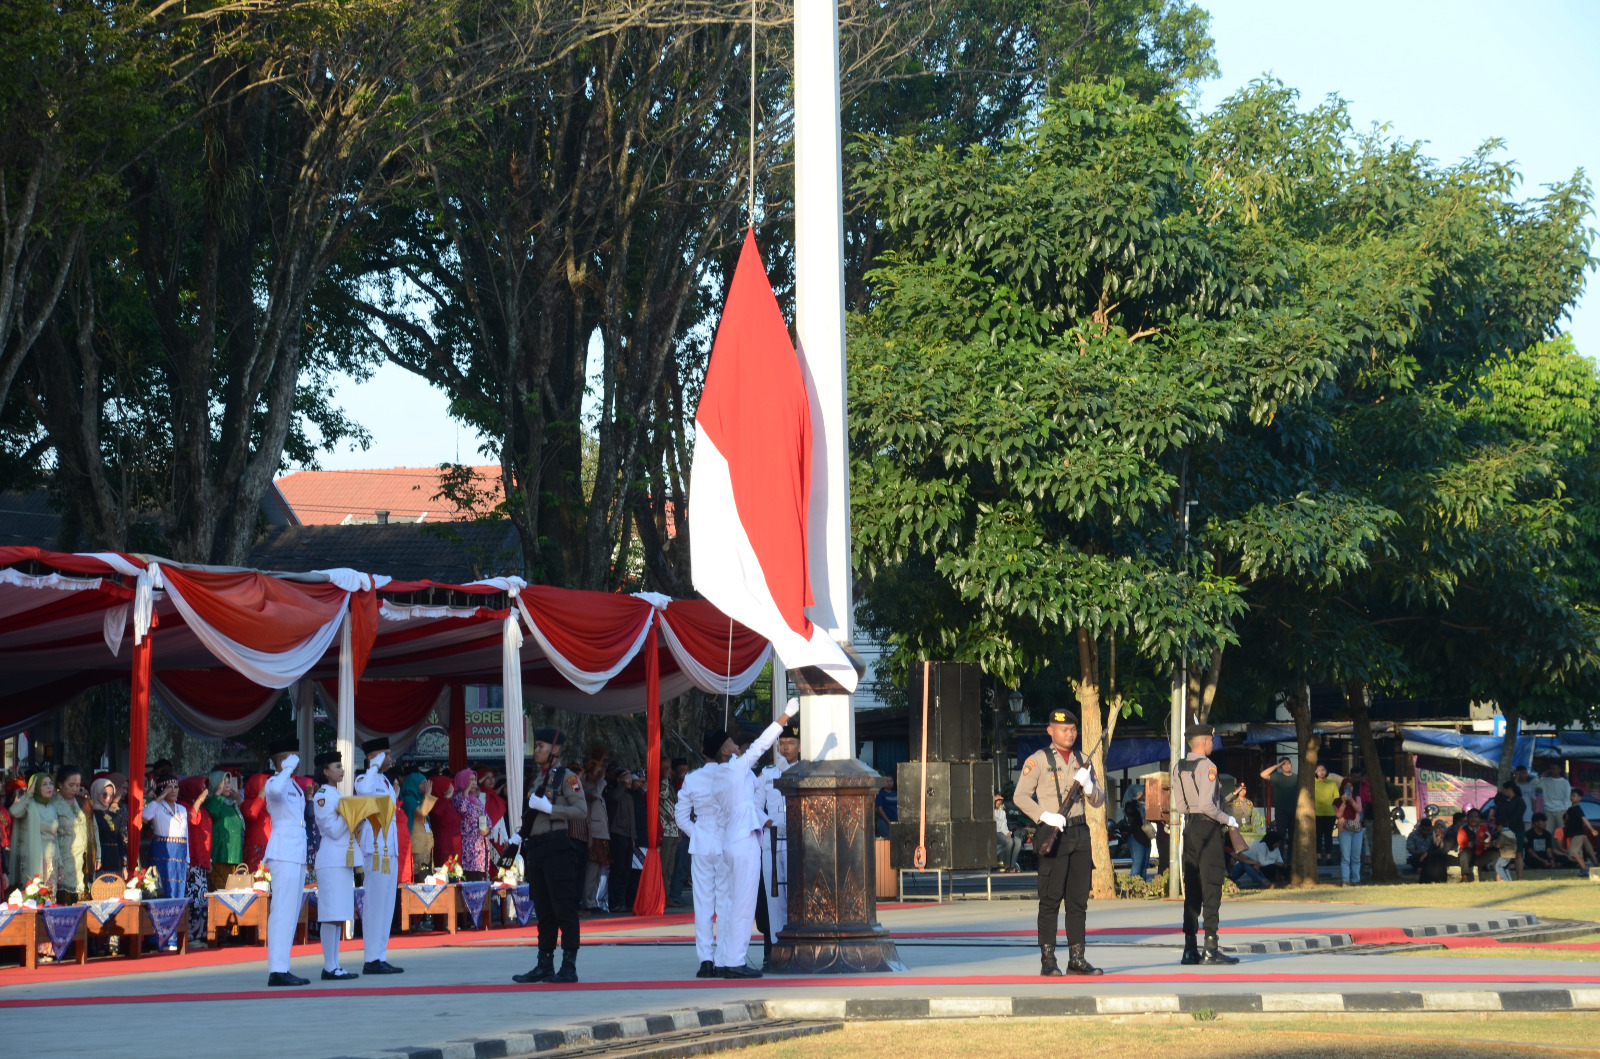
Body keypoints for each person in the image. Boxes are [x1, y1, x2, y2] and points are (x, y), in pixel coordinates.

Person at [708, 700, 799, 979]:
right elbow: (760, 745)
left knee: (730, 903)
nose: (738, 746)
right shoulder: (735, 769)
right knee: (745, 905)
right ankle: (735, 961)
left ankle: (724, 958)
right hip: (746, 843)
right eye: (733, 743)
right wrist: (785, 715)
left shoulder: (722, 774)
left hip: (731, 842)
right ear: (725, 751)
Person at [1013, 707, 1105, 977]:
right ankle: (1048, 959)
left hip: (1079, 832)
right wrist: (1045, 816)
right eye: (1064, 729)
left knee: (1078, 901)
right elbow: (1020, 796)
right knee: (1051, 899)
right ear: (1050, 730)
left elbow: (1099, 800)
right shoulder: (1038, 760)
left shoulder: (1083, 759)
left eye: (1073, 729)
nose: (1070, 733)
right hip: (1052, 832)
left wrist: (1089, 787)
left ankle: (1077, 958)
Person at [507, 728, 588, 985]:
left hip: (558, 848)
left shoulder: (568, 777)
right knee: (543, 910)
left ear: (555, 749)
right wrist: (520, 835)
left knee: (563, 907)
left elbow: (581, 810)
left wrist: (552, 809)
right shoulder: (536, 779)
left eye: (541, 745)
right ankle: (544, 964)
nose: (536, 750)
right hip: (537, 849)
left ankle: (569, 965)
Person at [1169, 723, 1239, 966]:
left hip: (1190, 828)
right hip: (1208, 829)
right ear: (1203, 742)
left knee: (1192, 889)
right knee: (1211, 886)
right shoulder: (1208, 766)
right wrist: (1227, 818)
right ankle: (1211, 948)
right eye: (1211, 739)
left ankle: (1190, 949)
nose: (1213, 743)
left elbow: (1181, 805)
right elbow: (1208, 806)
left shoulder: (1178, 767)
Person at [353, 738, 404, 975]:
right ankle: (371, 958)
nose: (390, 758)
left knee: (387, 903)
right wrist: (374, 764)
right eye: (385, 754)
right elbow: (362, 791)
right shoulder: (365, 778)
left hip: (389, 848)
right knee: (374, 902)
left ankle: (380, 955)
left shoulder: (384, 780)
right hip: (374, 848)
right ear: (375, 757)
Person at [263, 739, 310, 987]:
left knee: (291, 912)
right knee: (282, 910)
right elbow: (273, 792)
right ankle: (277, 970)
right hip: (283, 852)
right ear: (282, 761)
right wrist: (286, 769)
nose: (298, 760)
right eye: (293, 756)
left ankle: (283, 966)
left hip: (296, 852)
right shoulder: (275, 782)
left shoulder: (295, 786)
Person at [310, 751, 360, 981]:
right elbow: (332, 830)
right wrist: (351, 815)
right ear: (325, 771)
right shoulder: (322, 795)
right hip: (331, 859)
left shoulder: (335, 794)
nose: (342, 770)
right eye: (337, 766)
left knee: (339, 912)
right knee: (330, 913)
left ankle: (334, 964)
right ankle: (329, 966)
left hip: (341, 859)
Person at [677, 742, 723, 978]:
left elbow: (681, 817)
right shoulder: (732, 774)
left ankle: (706, 959)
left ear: (703, 752)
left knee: (703, 904)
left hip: (702, 843)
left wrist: (699, 833)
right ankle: (727, 956)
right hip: (727, 841)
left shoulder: (693, 778)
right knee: (727, 903)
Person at [758, 720, 801, 949]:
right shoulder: (766, 774)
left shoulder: (806, 773)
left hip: (797, 837)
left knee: (796, 891)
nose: (785, 748)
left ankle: (796, 939)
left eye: (791, 743)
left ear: (800, 746)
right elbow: (753, 805)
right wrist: (768, 822)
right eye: (782, 743)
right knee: (773, 893)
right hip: (772, 836)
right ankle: (776, 944)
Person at [51, 766, 98, 904]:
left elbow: (93, 829)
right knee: (64, 899)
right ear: (60, 784)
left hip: (84, 858)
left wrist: (98, 854)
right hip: (64, 857)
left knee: (83, 900)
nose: (75, 789)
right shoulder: (53, 804)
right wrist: (58, 864)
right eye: (71, 785)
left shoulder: (83, 803)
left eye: (78, 785)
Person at [142, 776, 194, 900]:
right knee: (163, 887)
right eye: (169, 788)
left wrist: (187, 863)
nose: (174, 790)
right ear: (162, 789)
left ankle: (177, 917)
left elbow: (185, 835)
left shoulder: (182, 809)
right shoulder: (156, 807)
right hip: (163, 851)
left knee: (178, 888)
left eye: (176, 787)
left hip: (179, 853)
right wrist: (160, 796)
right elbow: (145, 815)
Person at [8, 773, 60, 891]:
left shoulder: (52, 807)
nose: (49, 787)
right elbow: (13, 811)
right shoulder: (28, 805)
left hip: (51, 859)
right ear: (35, 787)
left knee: (50, 897)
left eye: (51, 784)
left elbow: (55, 838)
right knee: (32, 895)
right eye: (44, 784)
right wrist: (28, 794)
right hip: (32, 859)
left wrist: (60, 865)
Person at [177, 776, 214, 942]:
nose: (203, 793)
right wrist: (198, 801)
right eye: (200, 789)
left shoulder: (203, 809)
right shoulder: (183, 807)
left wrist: (208, 859)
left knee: (201, 900)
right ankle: (191, 936)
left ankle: (201, 934)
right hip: (190, 862)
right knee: (193, 900)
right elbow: (192, 820)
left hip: (201, 861)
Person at [206, 770, 246, 891]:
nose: (227, 786)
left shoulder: (231, 804)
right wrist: (217, 793)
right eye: (224, 783)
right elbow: (212, 811)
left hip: (235, 857)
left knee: (235, 895)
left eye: (229, 783)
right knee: (222, 895)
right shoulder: (211, 802)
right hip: (219, 857)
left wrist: (239, 801)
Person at [452, 769, 491, 880]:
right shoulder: (458, 798)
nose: (473, 783)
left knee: (479, 880)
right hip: (469, 849)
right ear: (462, 781)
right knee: (470, 879)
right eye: (470, 780)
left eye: (475, 780)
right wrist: (465, 792)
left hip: (481, 849)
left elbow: (487, 818)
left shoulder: (477, 800)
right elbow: (463, 810)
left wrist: (488, 829)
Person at [665, 758, 691, 906]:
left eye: (686, 771)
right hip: (680, 831)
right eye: (681, 771)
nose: (685, 774)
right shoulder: (673, 786)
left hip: (689, 831)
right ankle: (673, 895)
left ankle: (675, 894)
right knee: (677, 866)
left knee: (684, 866)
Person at [401, 772, 435, 880]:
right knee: (419, 878)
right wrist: (428, 794)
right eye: (422, 784)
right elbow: (423, 812)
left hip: (425, 848)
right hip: (416, 848)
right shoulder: (408, 800)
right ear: (414, 784)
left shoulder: (420, 799)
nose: (425, 787)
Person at [90, 777, 127, 875]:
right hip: (100, 860)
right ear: (96, 793)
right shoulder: (91, 815)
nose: (108, 798)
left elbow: (119, 839)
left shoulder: (113, 814)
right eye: (105, 794)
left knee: (114, 888)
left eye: (111, 795)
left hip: (115, 860)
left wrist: (124, 864)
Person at [1492, 779, 1527, 880]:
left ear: (1509, 790)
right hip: (1506, 832)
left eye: (1505, 790)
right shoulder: (1506, 803)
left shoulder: (1519, 801)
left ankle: (1520, 878)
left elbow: (1518, 815)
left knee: (1518, 853)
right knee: (1505, 854)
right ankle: (1503, 876)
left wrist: (1508, 824)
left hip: (1517, 830)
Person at [1333, 781, 1364, 886]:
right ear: (1342, 788)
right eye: (1346, 786)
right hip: (1344, 830)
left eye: (1351, 786)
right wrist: (1344, 802)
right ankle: (1345, 880)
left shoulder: (1357, 798)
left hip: (1356, 829)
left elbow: (1358, 809)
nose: (1349, 788)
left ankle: (1356, 879)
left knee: (1356, 857)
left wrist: (1351, 800)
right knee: (1346, 857)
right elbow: (1338, 815)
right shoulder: (1337, 801)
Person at [1260, 759, 1297, 842]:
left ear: (1291, 765)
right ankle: (1279, 854)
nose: (1287, 765)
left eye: (1288, 763)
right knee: (1281, 834)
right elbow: (1263, 774)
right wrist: (1276, 766)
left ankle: (1291, 855)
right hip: (1281, 810)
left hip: (1294, 810)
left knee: (1293, 835)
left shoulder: (1296, 777)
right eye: (1284, 764)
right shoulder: (1277, 776)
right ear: (1281, 766)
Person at [241, 773, 272, 871]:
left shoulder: (268, 803)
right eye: (265, 784)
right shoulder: (247, 804)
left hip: (270, 848)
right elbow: (251, 815)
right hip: (255, 849)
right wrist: (261, 795)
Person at [1455, 807, 1494, 882]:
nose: (1473, 819)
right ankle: (1465, 876)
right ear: (1467, 819)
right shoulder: (1463, 829)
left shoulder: (1484, 828)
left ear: (1479, 819)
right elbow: (1462, 843)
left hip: (1481, 854)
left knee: (1495, 852)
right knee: (1465, 852)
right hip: (1468, 857)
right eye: (1470, 817)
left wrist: (1485, 844)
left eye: (1475, 817)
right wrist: (1472, 843)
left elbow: (1488, 839)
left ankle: (1499, 876)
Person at [1312, 764, 1340, 864]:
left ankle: (1329, 857)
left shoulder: (1332, 783)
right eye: (1319, 770)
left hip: (1330, 813)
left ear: (1326, 771)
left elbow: (1336, 798)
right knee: (1318, 836)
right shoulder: (1312, 783)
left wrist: (1337, 811)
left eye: (1323, 769)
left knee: (1328, 836)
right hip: (1317, 814)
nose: (1321, 772)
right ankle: (1318, 857)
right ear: (1315, 772)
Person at [1564, 789, 1597, 869]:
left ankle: (1585, 868)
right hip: (1574, 835)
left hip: (1578, 834)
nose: (1572, 798)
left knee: (1573, 852)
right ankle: (1584, 868)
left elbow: (1584, 819)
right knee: (1578, 853)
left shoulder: (1577, 809)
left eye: (1574, 796)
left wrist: (1592, 829)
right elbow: (1566, 820)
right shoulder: (1570, 809)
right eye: (1571, 796)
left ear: (1579, 798)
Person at [995, 793, 1022, 873]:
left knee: (1017, 841)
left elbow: (1004, 826)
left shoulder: (1002, 812)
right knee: (1009, 841)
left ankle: (1012, 864)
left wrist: (1008, 833)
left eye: (1000, 800)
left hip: (1003, 832)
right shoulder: (990, 812)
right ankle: (1007, 865)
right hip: (995, 833)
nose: (999, 802)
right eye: (997, 800)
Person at [874, 774, 897, 839]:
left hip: (895, 821)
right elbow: (880, 809)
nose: (889, 783)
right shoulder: (880, 794)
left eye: (891, 781)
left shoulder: (896, 793)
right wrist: (888, 822)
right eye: (887, 781)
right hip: (884, 822)